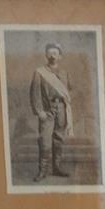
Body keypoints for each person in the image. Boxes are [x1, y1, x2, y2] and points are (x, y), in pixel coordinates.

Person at [29, 43, 74, 182]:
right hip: (47, 110)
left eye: (55, 53)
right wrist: (40, 111)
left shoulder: (65, 73)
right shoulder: (39, 72)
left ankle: (56, 168)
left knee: (59, 139)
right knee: (45, 140)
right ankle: (43, 170)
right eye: (50, 53)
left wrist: (64, 105)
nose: (52, 55)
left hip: (62, 109)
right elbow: (34, 93)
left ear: (60, 56)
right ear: (46, 56)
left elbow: (68, 90)